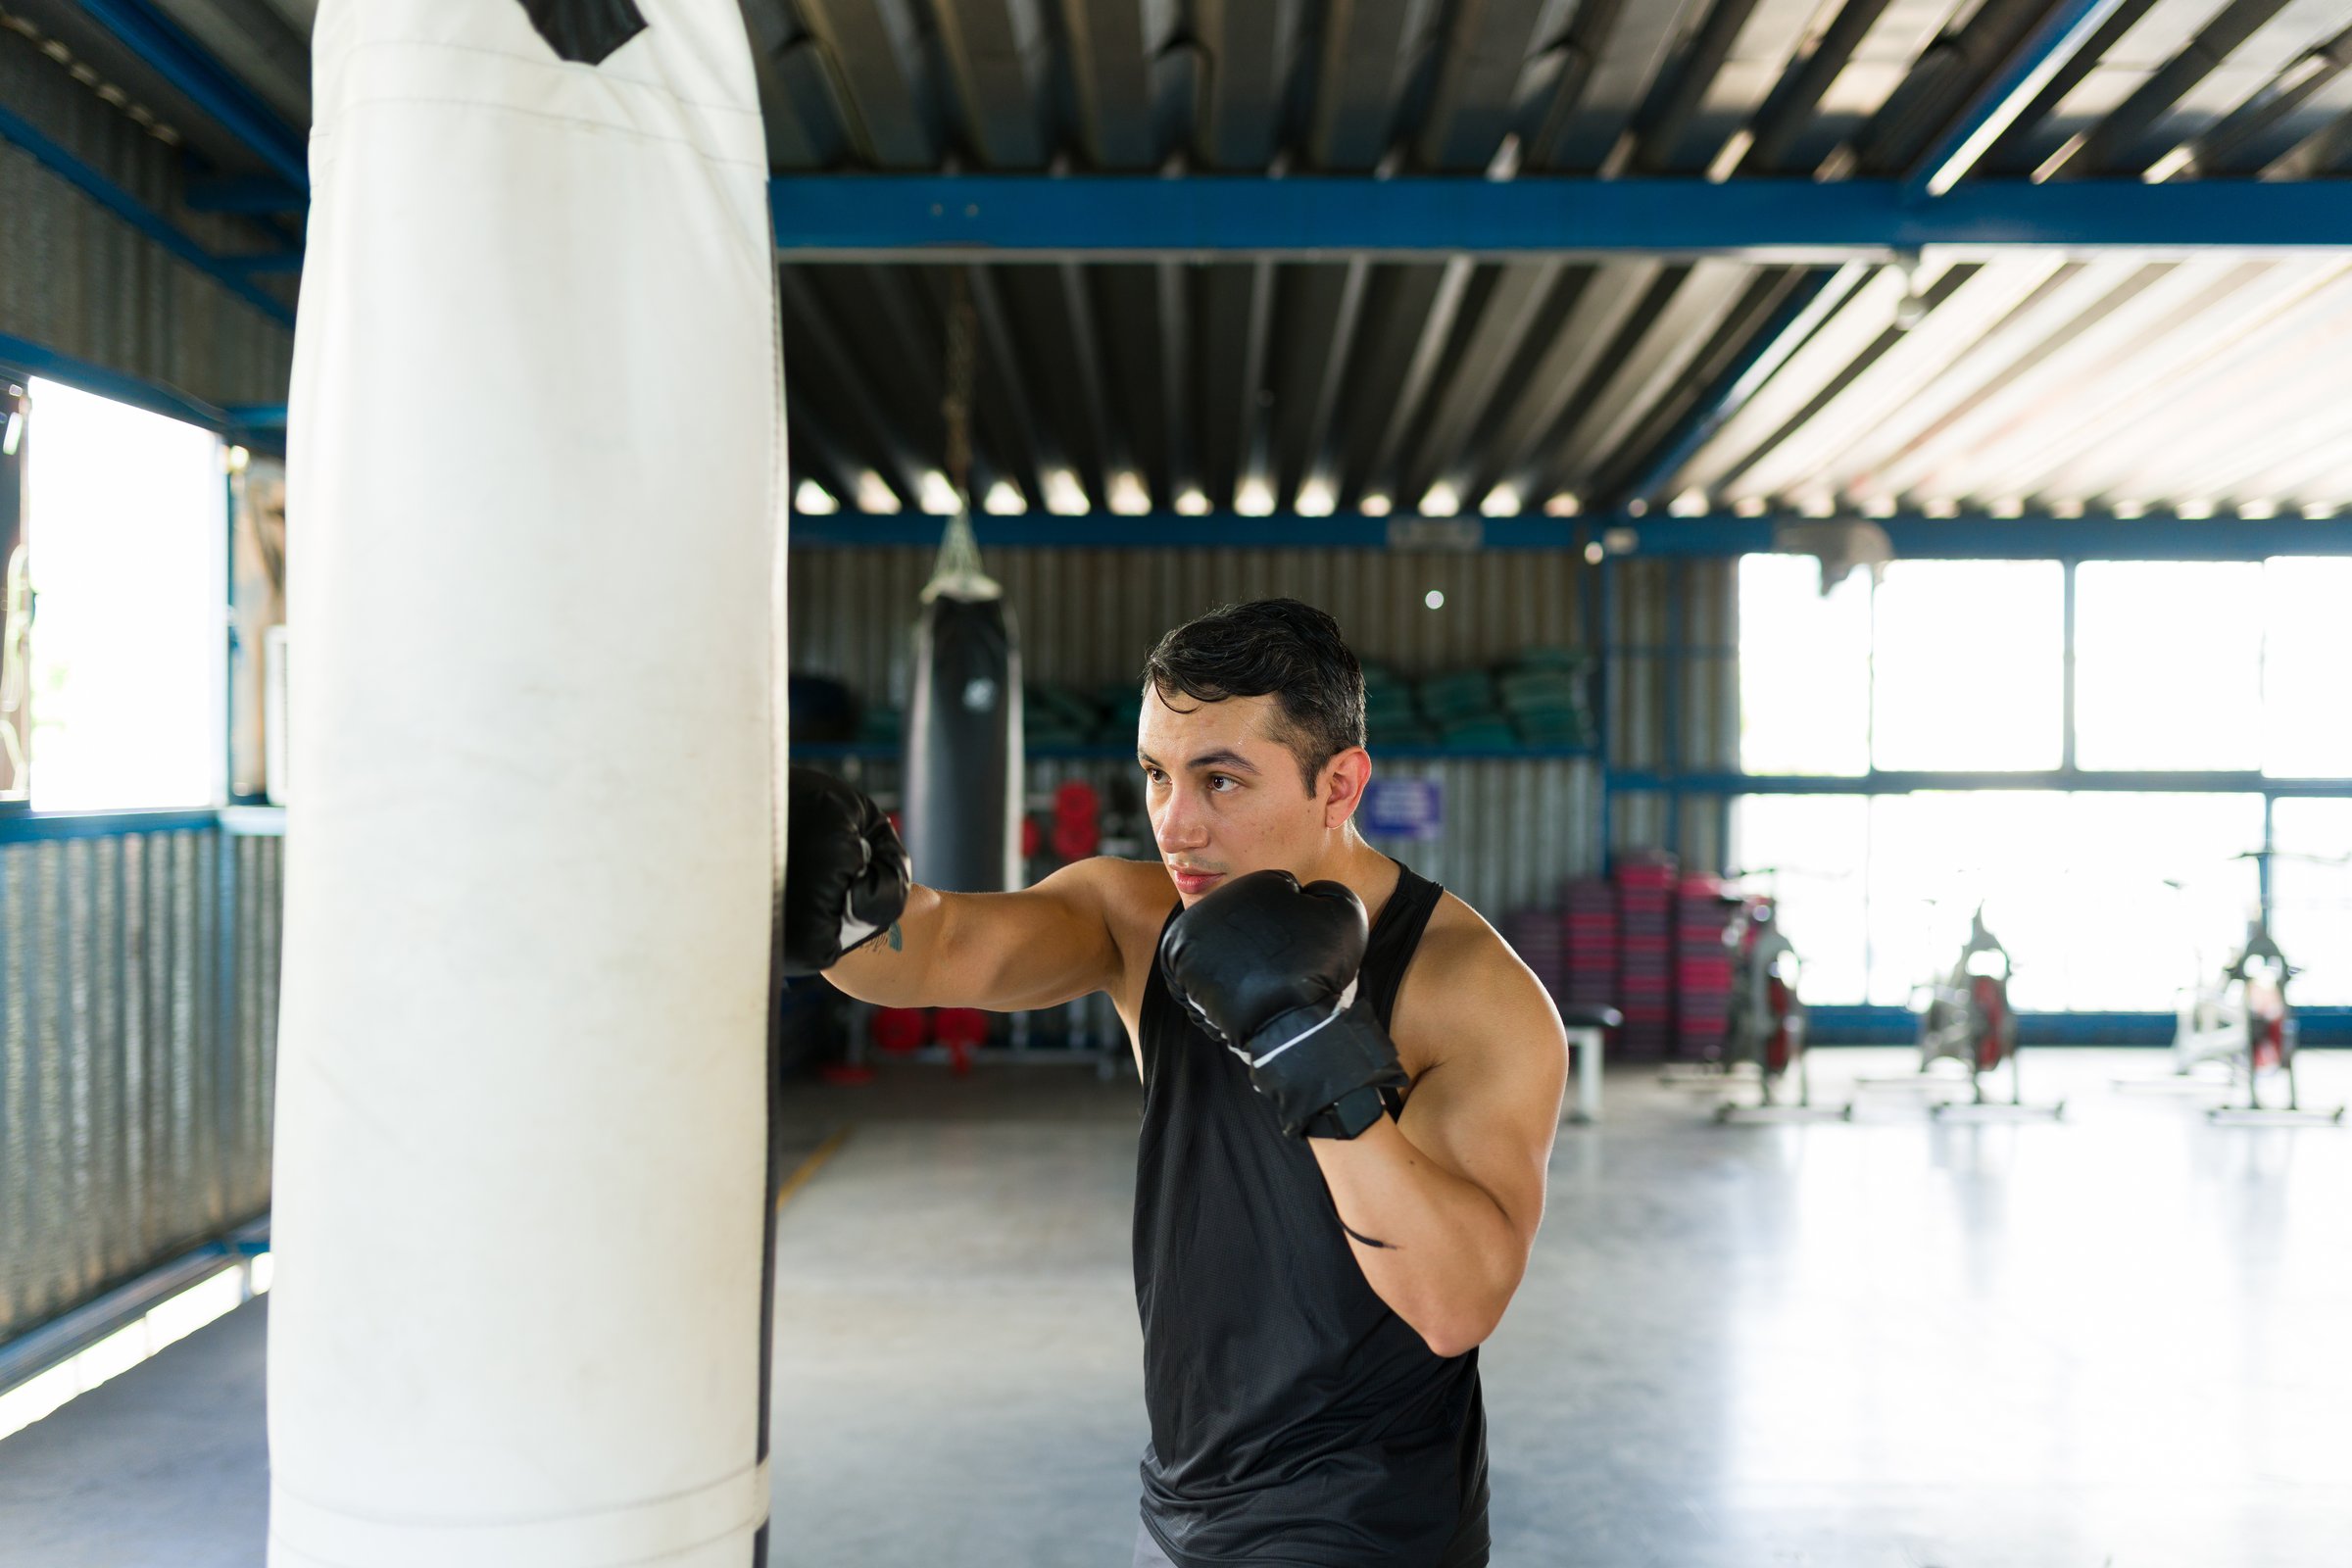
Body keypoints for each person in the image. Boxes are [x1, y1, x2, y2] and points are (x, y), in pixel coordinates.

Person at [785, 598, 1569, 1568]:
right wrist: (848, 910)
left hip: (1369, 1529)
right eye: (1157, 773)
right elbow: (946, 949)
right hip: (1187, 1504)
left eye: (1222, 780)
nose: (1175, 822)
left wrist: (1309, 1042)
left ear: (1340, 784)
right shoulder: (1140, 917)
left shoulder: (1472, 991)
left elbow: (1457, 1304)